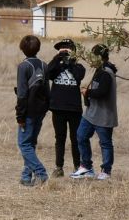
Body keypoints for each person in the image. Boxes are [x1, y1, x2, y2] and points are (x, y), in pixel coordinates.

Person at [72, 44, 118, 181]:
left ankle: (106, 170)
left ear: (99, 56)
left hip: (104, 115)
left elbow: (102, 92)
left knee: (105, 143)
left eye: (93, 55)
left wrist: (87, 92)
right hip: (91, 113)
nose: (90, 58)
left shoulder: (107, 72)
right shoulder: (99, 70)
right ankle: (86, 167)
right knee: (81, 136)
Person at [44, 38, 85, 177]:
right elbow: (47, 73)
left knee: (76, 139)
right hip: (58, 108)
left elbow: (79, 76)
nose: (65, 51)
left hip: (74, 109)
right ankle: (59, 167)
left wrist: (71, 62)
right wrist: (58, 58)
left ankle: (78, 166)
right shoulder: (56, 67)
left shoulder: (79, 67)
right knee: (59, 139)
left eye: (68, 49)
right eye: (62, 49)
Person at [14, 34, 50, 187]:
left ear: (22, 48)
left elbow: (22, 94)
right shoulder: (44, 65)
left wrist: (20, 116)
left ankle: (41, 174)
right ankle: (26, 177)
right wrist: (45, 109)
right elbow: (47, 91)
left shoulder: (23, 66)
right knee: (31, 143)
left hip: (28, 112)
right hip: (40, 111)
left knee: (24, 145)